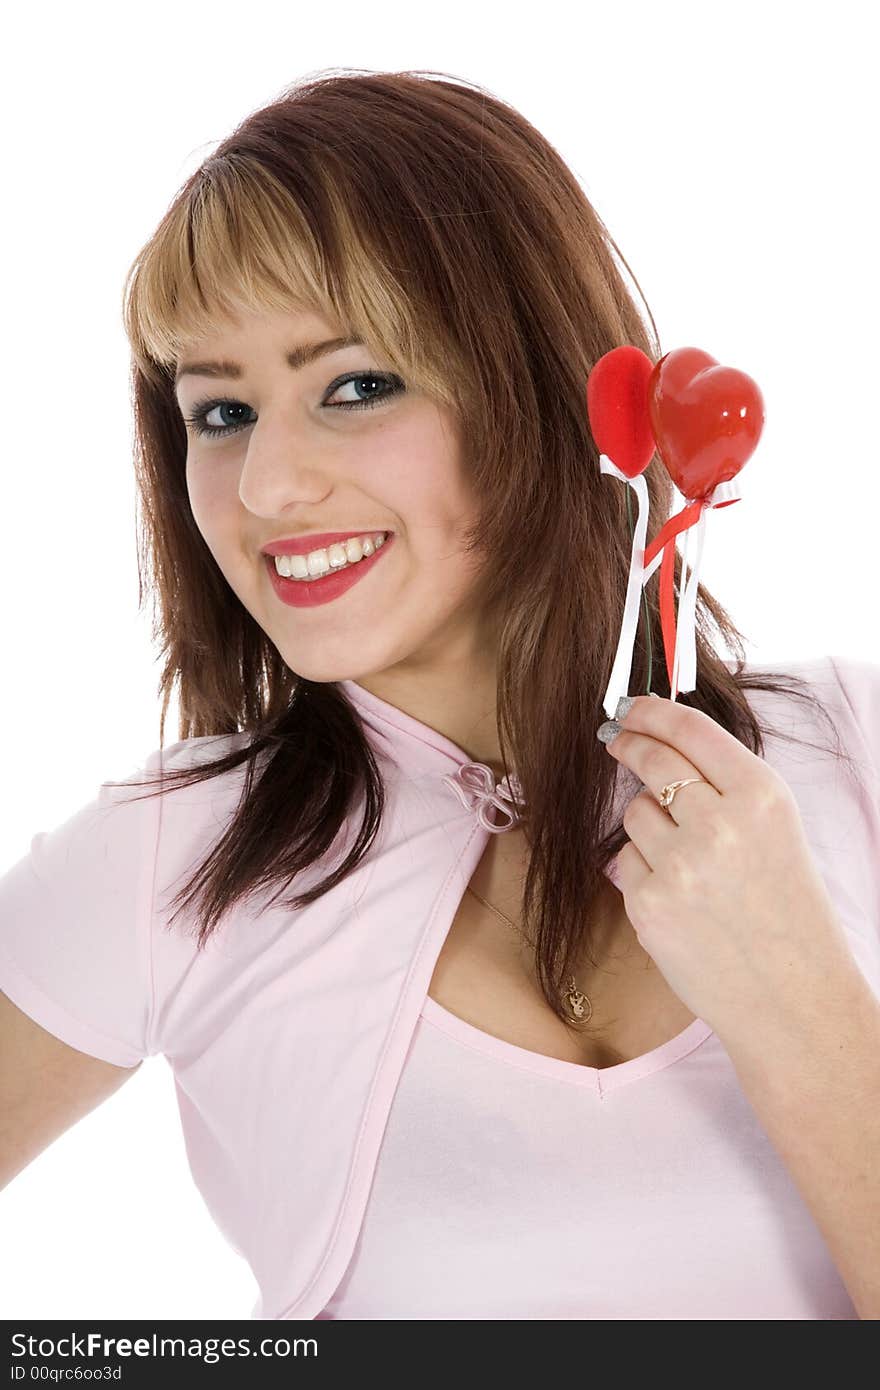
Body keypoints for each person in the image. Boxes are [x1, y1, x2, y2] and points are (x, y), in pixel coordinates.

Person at [1, 68, 878, 1322]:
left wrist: (792, 985)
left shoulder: (851, 753)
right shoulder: (170, 869)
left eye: (354, 385)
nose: (265, 487)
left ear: (541, 385)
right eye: (222, 410)